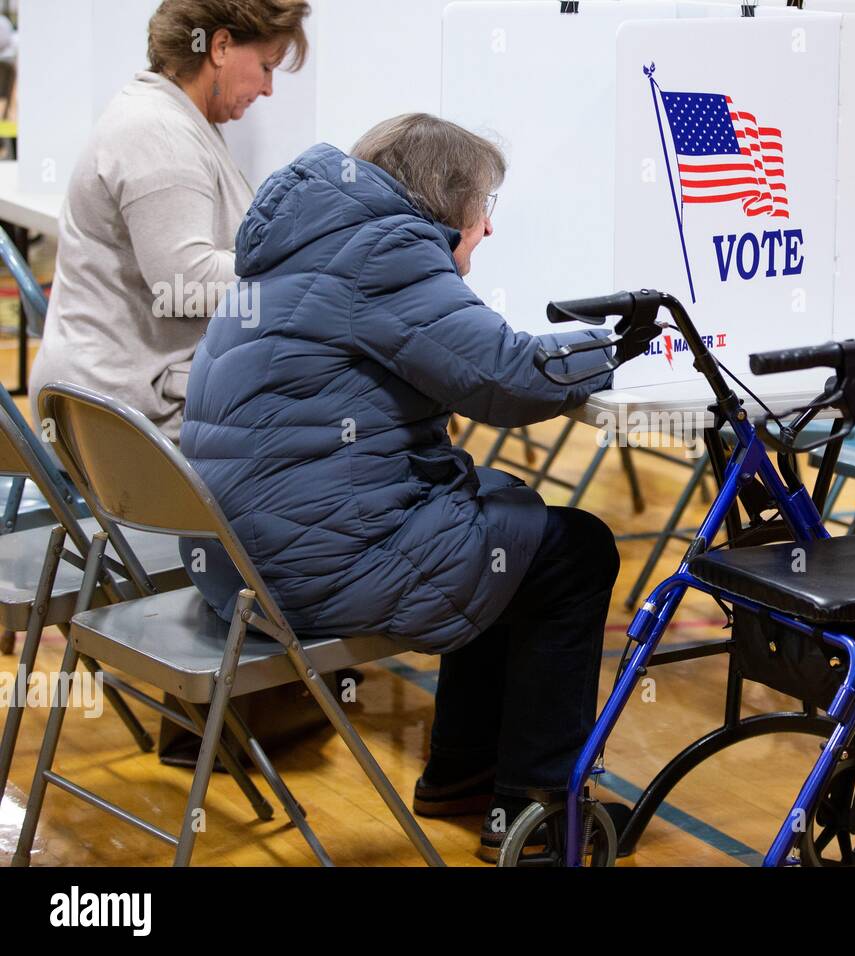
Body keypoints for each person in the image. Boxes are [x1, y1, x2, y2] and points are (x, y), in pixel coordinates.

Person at [181, 114, 624, 860]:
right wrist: (622, 342)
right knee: (574, 549)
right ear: (452, 206)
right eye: (485, 213)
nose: (488, 231)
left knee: (504, 524)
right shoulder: (387, 251)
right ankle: (537, 808)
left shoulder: (308, 235)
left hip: (238, 555)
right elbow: (505, 379)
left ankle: (465, 769)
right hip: (307, 565)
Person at [30, 0, 311, 440]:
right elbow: (187, 283)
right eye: (266, 66)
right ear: (220, 47)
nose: (268, 88)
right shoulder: (158, 132)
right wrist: (304, 273)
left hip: (125, 393)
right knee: (326, 433)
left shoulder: (176, 119)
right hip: (124, 410)